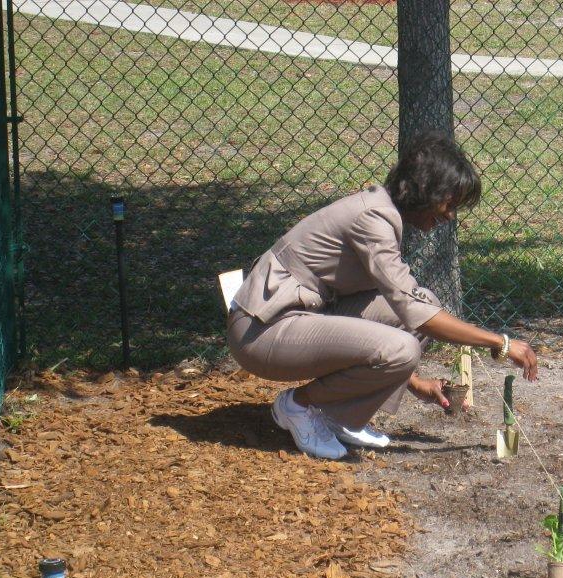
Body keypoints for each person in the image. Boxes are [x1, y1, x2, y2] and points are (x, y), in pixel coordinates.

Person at [227, 133, 538, 460]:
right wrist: (500, 343)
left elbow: (413, 305)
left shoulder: (383, 212)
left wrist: (415, 383)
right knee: (403, 344)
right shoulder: (373, 218)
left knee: (424, 307)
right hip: (261, 331)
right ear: (423, 190)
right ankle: (298, 405)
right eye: (449, 202)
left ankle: (340, 414)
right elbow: (413, 310)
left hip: (302, 315)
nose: (450, 215)